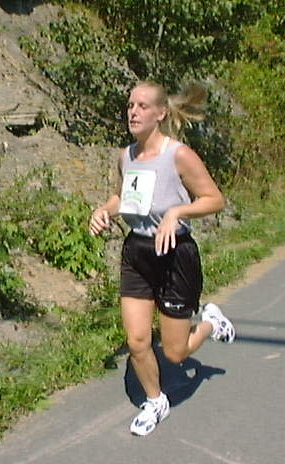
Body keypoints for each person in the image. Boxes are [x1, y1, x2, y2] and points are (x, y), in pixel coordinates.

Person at [88, 80, 235, 437]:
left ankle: (211, 323)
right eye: (130, 105)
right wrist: (103, 210)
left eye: (142, 106)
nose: (133, 112)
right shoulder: (126, 155)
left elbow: (215, 199)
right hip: (137, 252)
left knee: (174, 354)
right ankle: (155, 401)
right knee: (137, 341)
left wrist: (177, 213)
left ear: (160, 113)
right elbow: (122, 197)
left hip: (174, 254)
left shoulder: (178, 155)